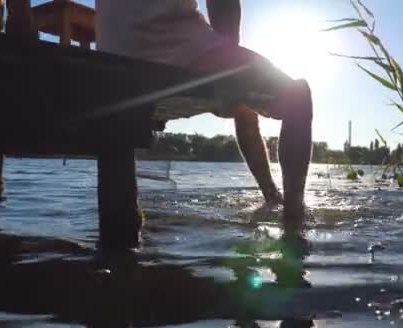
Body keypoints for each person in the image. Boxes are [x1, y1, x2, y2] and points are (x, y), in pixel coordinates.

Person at [95, 0, 313, 220]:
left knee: (246, 109)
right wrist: (230, 70)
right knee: (297, 95)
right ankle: (294, 217)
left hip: (112, 50)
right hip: (168, 42)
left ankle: (271, 196)